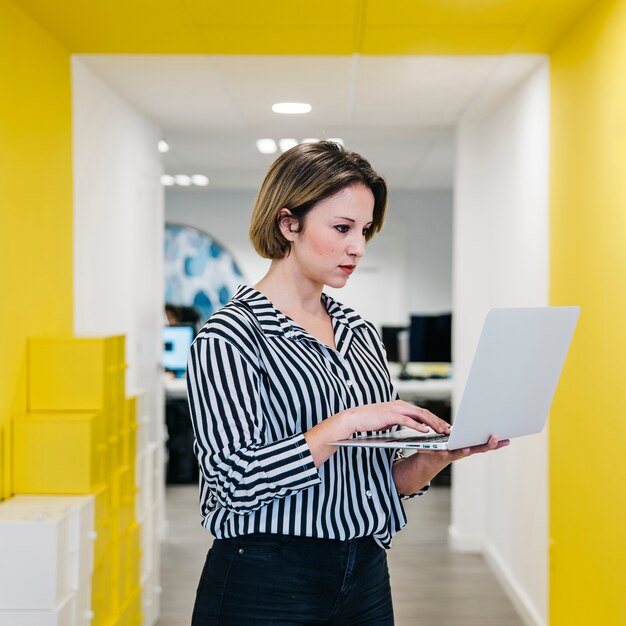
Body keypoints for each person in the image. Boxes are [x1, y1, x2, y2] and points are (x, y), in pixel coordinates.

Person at [186, 141, 509, 625]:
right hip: (263, 581)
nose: (356, 247)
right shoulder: (230, 335)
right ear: (288, 223)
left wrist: (432, 458)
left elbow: (375, 483)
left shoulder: (359, 332)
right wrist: (342, 425)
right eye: (341, 228)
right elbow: (231, 484)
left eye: (363, 230)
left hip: (364, 574)